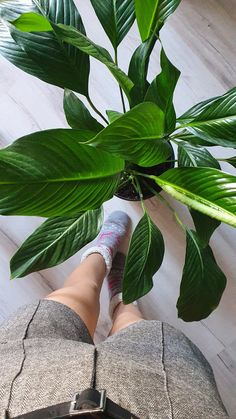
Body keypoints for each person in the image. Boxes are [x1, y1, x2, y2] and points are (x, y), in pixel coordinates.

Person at [0, 211, 229, 418]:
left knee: (65, 305)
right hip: (158, 401)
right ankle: (121, 296)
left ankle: (99, 256)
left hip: (21, 389)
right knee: (136, 328)